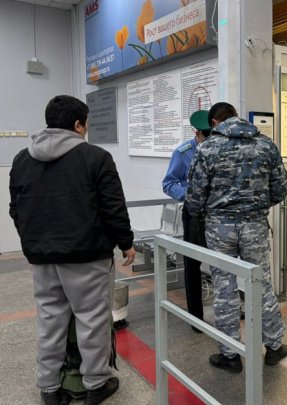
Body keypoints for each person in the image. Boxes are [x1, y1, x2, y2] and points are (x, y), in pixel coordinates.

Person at [8, 95, 135, 405]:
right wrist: (126, 243)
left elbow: (16, 209)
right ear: (78, 124)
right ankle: (96, 385)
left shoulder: (22, 159)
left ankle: (49, 388)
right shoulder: (96, 157)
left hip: (43, 258)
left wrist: (32, 247)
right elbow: (113, 207)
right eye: (86, 124)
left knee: (49, 321)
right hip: (87, 256)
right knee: (92, 321)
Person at [186, 101, 287, 373]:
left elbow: (194, 198)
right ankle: (274, 347)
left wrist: (210, 214)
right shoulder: (266, 145)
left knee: (224, 288)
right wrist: (255, 208)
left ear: (215, 123)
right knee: (262, 285)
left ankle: (230, 355)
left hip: (219, 229)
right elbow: (280, 190)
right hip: (255, 226)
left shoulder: (207, 148)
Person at [162, 109, 211, 333]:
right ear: (197, 133)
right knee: (192, 264)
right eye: (206, 137)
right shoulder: (183, 153)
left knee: (223, 263)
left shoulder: (220, 149)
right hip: (194, 216)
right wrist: (190, 194)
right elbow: (169, 183)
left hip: (217, 216)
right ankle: (196, 318)